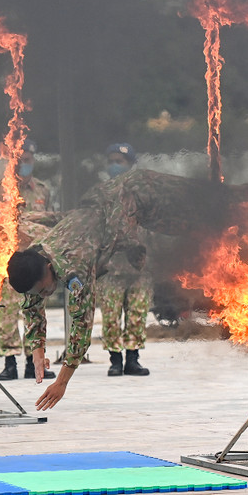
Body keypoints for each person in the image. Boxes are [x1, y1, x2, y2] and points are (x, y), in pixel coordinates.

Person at [6, 166, 248, 410]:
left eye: (43, 287)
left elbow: (82, 325)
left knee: (220, 208)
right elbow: (32, 302)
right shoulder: (38, 250)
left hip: (145, 198)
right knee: (218, 210)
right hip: (124, 203)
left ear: (47, 268)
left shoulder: (74, 262)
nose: (45, 293)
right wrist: (37, 351)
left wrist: (62, 381)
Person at [0, 138, 57, 381]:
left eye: (28, 159)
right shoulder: (1, 189)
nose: (24, 164)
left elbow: (49, 224)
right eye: (20, 160)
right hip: (10, 261)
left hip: (37, 262)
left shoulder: (43, 189)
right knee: (8, 312)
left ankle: (34, 361)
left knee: (36, 311)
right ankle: (10, 363)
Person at [97, 144, 152, 377]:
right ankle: (115, 359)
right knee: (111, 315)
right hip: (111, 267)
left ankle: (133, 358)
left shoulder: (146, 195)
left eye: (120, 161)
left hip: (139, 266)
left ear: (131, 165)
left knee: (137, 313)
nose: (115, 165)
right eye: (111, 161)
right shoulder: (101, 194)